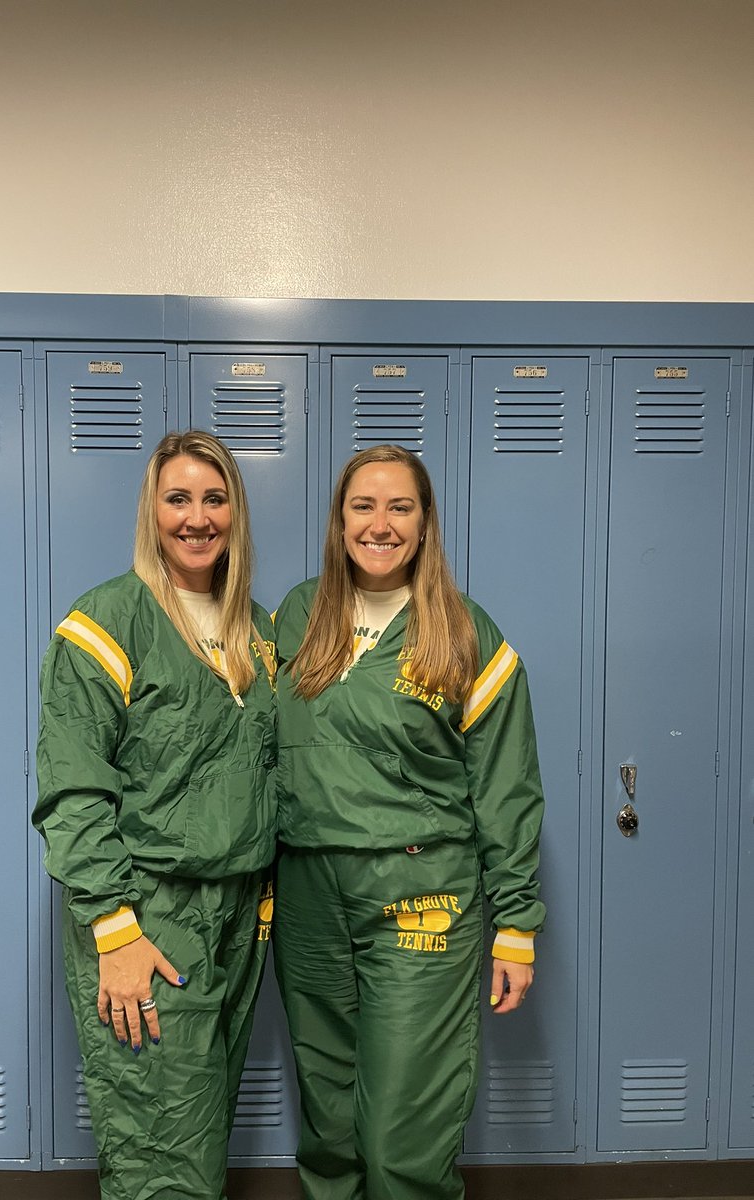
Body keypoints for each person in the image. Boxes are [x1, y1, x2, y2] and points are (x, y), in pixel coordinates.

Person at [272, 444, 545, 1200]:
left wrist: (516, 923)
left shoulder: (462, 632)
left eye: (400, 507)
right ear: (339, 521)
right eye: (363, 506)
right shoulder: (298, 615)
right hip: (307, 897)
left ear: (425, 525)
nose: (380, 524)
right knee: (328, 1122)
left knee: (402, 1129)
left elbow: (506, 784)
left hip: (421, 890)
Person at [33, 430, 276, 1200]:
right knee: (160, 1150)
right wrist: (114, 927)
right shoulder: (107, 621)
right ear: (152, 511)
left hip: (240, 918)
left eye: (215, 498)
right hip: (150, 917)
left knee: (200, 1132)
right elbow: (73, 790)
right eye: (178, 498)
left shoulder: (257, 632)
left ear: (235, 512)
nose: (197, 517)